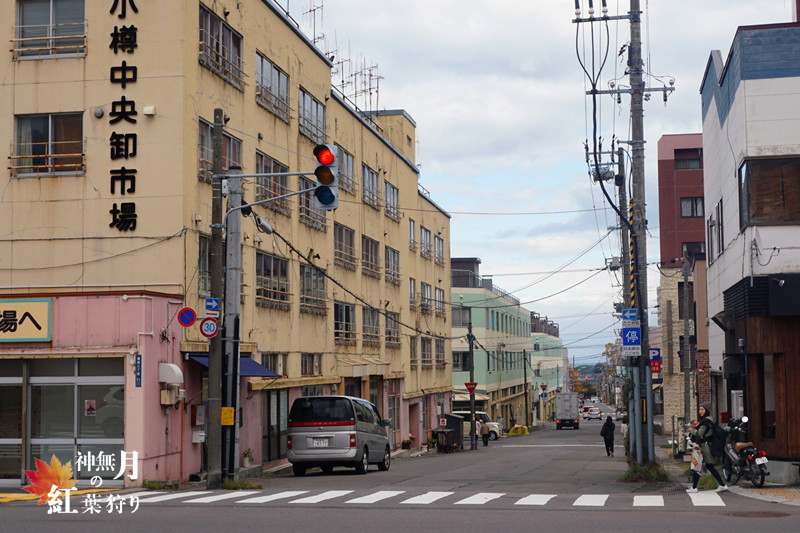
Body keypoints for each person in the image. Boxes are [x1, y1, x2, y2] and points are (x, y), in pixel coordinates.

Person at [687, 402, 728, 493]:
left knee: (698, 465)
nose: (700, 411)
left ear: (707, 411)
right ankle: (722, 485)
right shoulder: (710, 420)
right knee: (704, 466)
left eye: (702, 410)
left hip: (705, 447)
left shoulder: (705, 422)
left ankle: (695, 487)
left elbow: (700, 433)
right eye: (699, 409)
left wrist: (692, 430)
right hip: (707, 445)